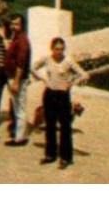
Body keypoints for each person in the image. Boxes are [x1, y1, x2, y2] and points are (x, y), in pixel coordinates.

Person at [33, 36, 88, 169]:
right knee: (50, 125)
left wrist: (72, 83)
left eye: (61, 49)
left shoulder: (68, 61)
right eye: (57, 49)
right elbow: (34, 67)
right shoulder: (47, 59)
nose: (59, 52)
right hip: (50, 93)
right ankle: (50, 154)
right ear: (52, 49)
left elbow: (84, 75)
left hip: (63, 95)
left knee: (65, 127)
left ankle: (66, 157)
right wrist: (44, 79)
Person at [3, 14, 32, 146]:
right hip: (12, 77)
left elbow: (21, 64)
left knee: (20, 108)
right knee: (16, 107)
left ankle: (20, 138)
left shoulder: (22, 42)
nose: (13, 27)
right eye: (12, 24)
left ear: (22, 25)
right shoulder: (16, 38)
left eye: (16, 24)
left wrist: (15, 81)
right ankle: (18, 132)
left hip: (18, 79)